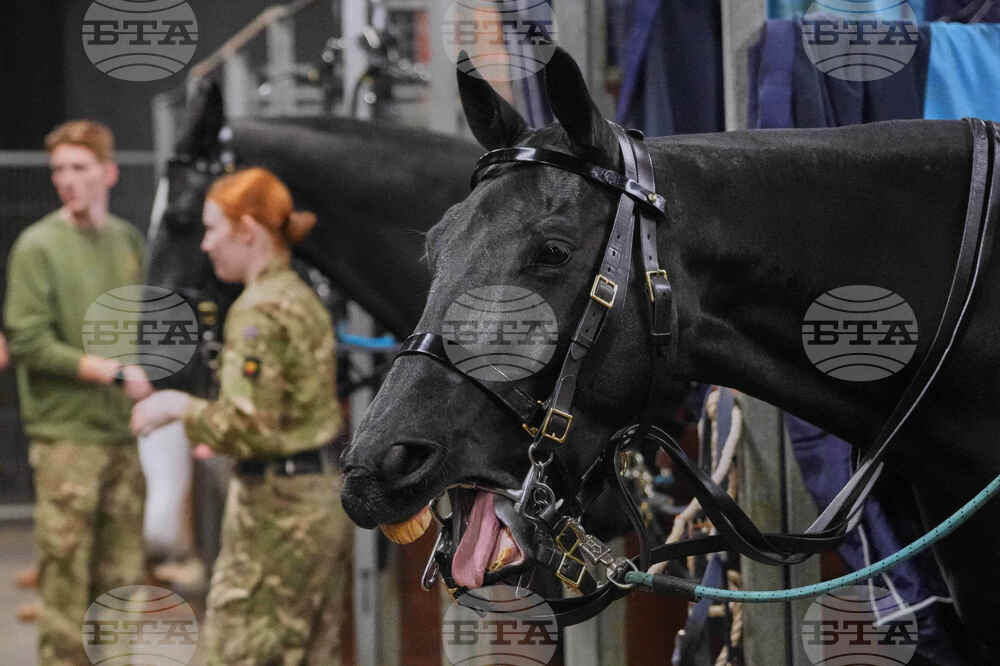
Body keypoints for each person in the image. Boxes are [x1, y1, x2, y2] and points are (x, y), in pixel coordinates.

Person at [131, 167, 353, 665]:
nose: (206, 245)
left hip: (276, 514)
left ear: (247, 230)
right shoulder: (300, 297)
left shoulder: (258, 309)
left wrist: (178, 406)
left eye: (213, 229)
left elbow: (249, 425)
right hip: (315, 501)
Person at [4, 120, 153, 665]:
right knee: (65, 587)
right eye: (58, 170)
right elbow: (27, 340)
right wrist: (111, 372)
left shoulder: (126, 241)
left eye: (79, 168)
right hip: (66, 439)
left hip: (122, 435)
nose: (66, 180)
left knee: (120, 583)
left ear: (108, 173)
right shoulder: (38, 246)